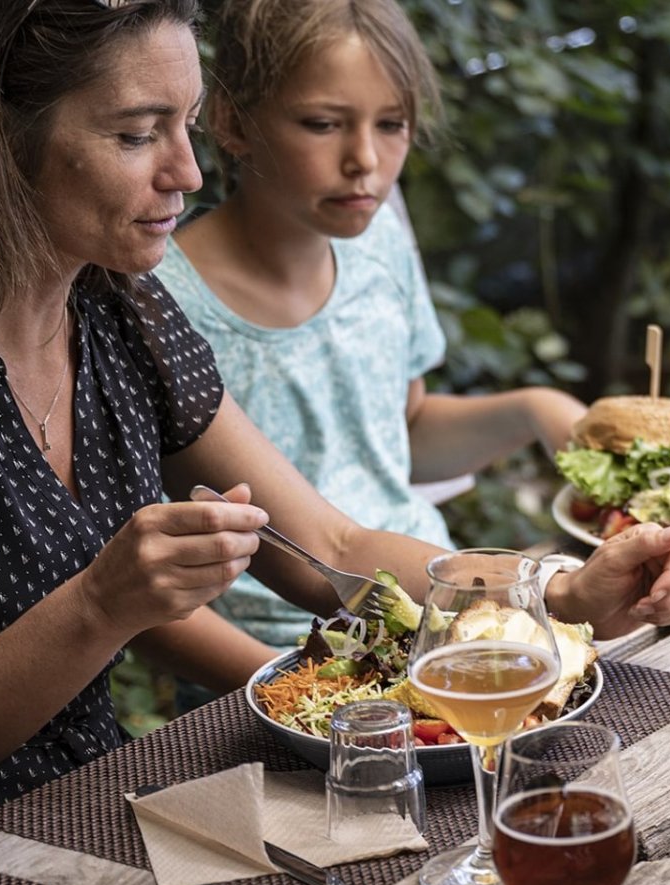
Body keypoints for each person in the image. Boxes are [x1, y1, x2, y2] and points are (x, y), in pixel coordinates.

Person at [0, 0, 670, 826]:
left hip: (91, 803)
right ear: (1, 136)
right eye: (137, 135)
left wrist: (557, 589)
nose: (189, 173)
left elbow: (334, 547)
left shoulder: (122, 313)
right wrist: (102, 605)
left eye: (188, 125)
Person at [152, 0, 587, 647]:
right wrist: (270, 682)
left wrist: (531, 410)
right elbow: (146, 585)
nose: (365, 159)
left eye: (392, 124)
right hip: (279, 653)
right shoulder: (159, 300)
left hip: (433, 609)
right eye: (324, 124)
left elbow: (399, 434)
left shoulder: (379, 244)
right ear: (232, 120)